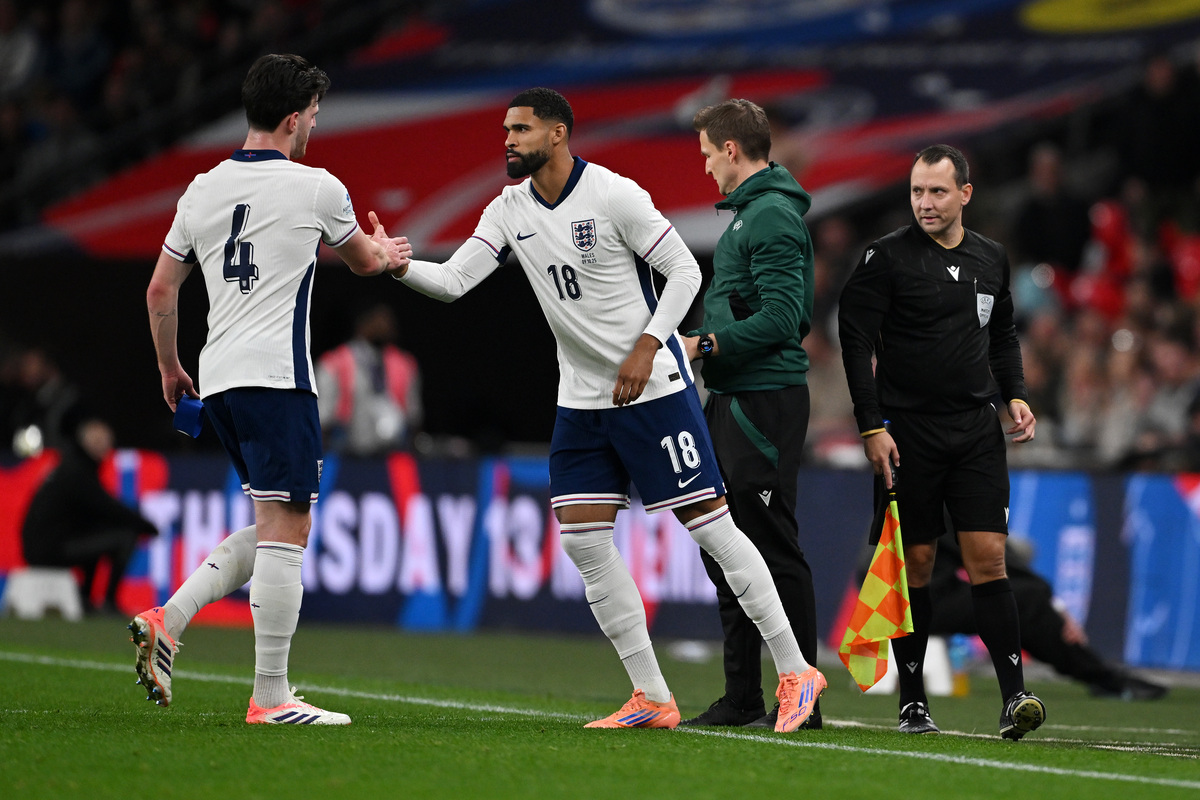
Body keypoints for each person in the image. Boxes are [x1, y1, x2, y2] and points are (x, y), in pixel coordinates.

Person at [389, 87, 826, 731]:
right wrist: (395, 268)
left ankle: (796, 671)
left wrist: (650, 345)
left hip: (653, 393)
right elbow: (454, 281)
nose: (507, 140)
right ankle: (651, 695)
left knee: (714, 530)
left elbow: (684, 272)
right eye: (505, 129)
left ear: (558, 134)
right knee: (586, 543)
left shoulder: (614, 194)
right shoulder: (508, 208)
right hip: (581, 402)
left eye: (521, 129)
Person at [134, 53, 411, 725]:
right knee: (289, 529)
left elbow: (161, 289)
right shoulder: (317, 187)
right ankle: (272, 695)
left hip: (220, 379)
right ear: (294, 117)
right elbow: (367, 262)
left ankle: (168, 621)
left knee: (272, 524)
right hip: (278, 380)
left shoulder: (202, 188)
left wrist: (171, 369)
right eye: (314, 113)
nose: (315, 123)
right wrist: (389, 252)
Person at [837, 144, 1046, 740]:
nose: (925, 203)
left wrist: (1017, 394)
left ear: (965, 195)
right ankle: (912, 700)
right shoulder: (885, 258)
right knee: (918, 563)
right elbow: (855, 342)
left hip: (977, 431)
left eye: (936, 192)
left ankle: (1014, 698)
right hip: (908, 434)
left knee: (989, 558)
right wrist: (871, 425)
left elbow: (1002, 333)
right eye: (916, 192)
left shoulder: (992, 257)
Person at [676, 99, 820, 730]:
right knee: (725, 545)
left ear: (731, 149)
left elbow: (786, 319)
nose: (705, 166)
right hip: (733, 399)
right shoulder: (748, 217)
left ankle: (801, 695)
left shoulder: (770, 217)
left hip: (764, 400)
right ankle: (743, 695)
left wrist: (704, 343)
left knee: (771, 544)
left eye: (708, 152)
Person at [927, 531, 1167, 702]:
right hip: (920, 601)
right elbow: (993, 556)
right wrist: (1056, 605)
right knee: (1024, 598)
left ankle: (1099, 674)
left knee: (1015, 599)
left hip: (923, 596)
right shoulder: (944, 495)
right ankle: (1101, 675)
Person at [21, 414, 157, 615]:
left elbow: (98, 509)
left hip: (45, 545)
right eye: (96, 440)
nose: (102, 445)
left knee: (97, 532)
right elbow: (108, 507)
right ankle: (108, 602)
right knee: (124, 536)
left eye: (105, 440)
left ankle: (85, 599)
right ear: (83, 441)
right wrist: (146, 526)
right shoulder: (77, 471)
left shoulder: (71, 466)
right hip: (47, 550)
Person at [315, 302, 423, 455]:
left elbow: (413, 414)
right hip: (344, 453)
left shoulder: (404, 363)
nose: (386, 325)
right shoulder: (334, 363)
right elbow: (322, 417)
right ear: (362, 324)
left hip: (393, 453)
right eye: (379, 320)